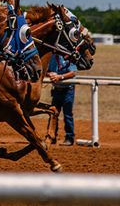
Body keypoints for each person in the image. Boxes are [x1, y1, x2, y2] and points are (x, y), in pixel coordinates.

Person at [47, 12, 79, 146]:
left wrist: (59, 76)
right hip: (57, 89)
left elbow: (73, 73)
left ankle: (69, 138)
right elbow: (48, 70)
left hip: (67, 90)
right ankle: (52, 136)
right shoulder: (53, 56)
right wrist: (50, 75)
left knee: (67, 115)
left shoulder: (68, 55)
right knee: (53, 114)